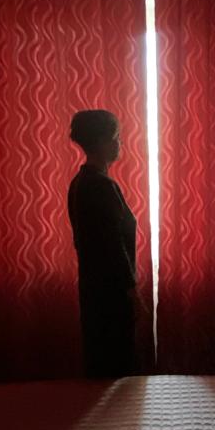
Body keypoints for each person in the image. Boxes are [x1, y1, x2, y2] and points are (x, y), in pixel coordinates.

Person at [67, 109, 137, 377]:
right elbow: (112, 244)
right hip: (110, 292)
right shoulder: (100, 186)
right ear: (100, 142)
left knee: (102, 363)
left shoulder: (80, 182)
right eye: (116, 137)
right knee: (116, 364)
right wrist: (130, 289)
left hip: (94, 288)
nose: (120, 143)